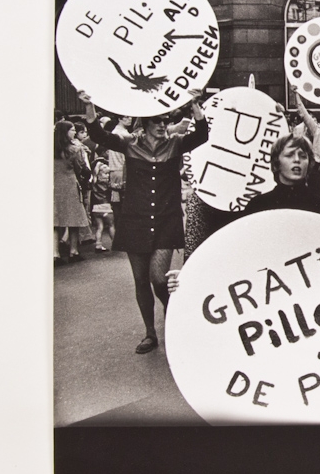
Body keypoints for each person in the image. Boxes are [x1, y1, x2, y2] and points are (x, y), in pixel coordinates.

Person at [81, 89, 209, 355]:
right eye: (157, 121)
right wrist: (90, 106)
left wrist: (195, 104)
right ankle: (150, 333)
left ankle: (174, 316)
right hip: (135, 221)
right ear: (146, 123)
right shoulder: (130, 144)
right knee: (140, 280)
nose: (163, 125)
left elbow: (201, 135)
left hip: (166, 220)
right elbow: (99, 136)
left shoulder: (175, 144)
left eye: (165, 121)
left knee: (159, 279)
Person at [241, 133, 320, 218]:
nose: (297, 160)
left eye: (303, 156)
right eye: (289, 155)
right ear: (276, 163)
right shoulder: (259, 205)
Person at [54, 120, 91, 264]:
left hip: (53, 186)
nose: (74, 132)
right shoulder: (74, 149)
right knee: (73, 218)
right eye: (72, 130)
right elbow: (80, 168)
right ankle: (73, 251)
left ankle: (55, 253)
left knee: (55, 221)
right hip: (69, 185)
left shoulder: (50, 149)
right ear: (66, 132)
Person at [89, 158, 116, 252]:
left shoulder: (94, 182)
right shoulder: (106, 183)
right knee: (111, 225)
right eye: (106, 173)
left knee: (99, 227)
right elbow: (114, 188)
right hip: (106, 206)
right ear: (101, 173)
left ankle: (98, 245)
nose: (108, 175)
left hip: (96, 208)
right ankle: (115, 244)